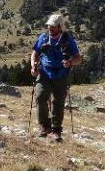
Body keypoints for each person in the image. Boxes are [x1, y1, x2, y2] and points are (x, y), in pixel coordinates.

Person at [30, 13, 82, 142]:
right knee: (40, 96)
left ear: (60, 27)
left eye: (53, 27)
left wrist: (70, 62)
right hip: (44, 73)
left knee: (58, 103)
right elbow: (35, 54)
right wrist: (33, 67)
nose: (50, 29)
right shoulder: (43, 38)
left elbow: (78, 58)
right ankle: (44, 126)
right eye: (49, 26)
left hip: (61, 75)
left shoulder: (67, 40)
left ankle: (56, 130)